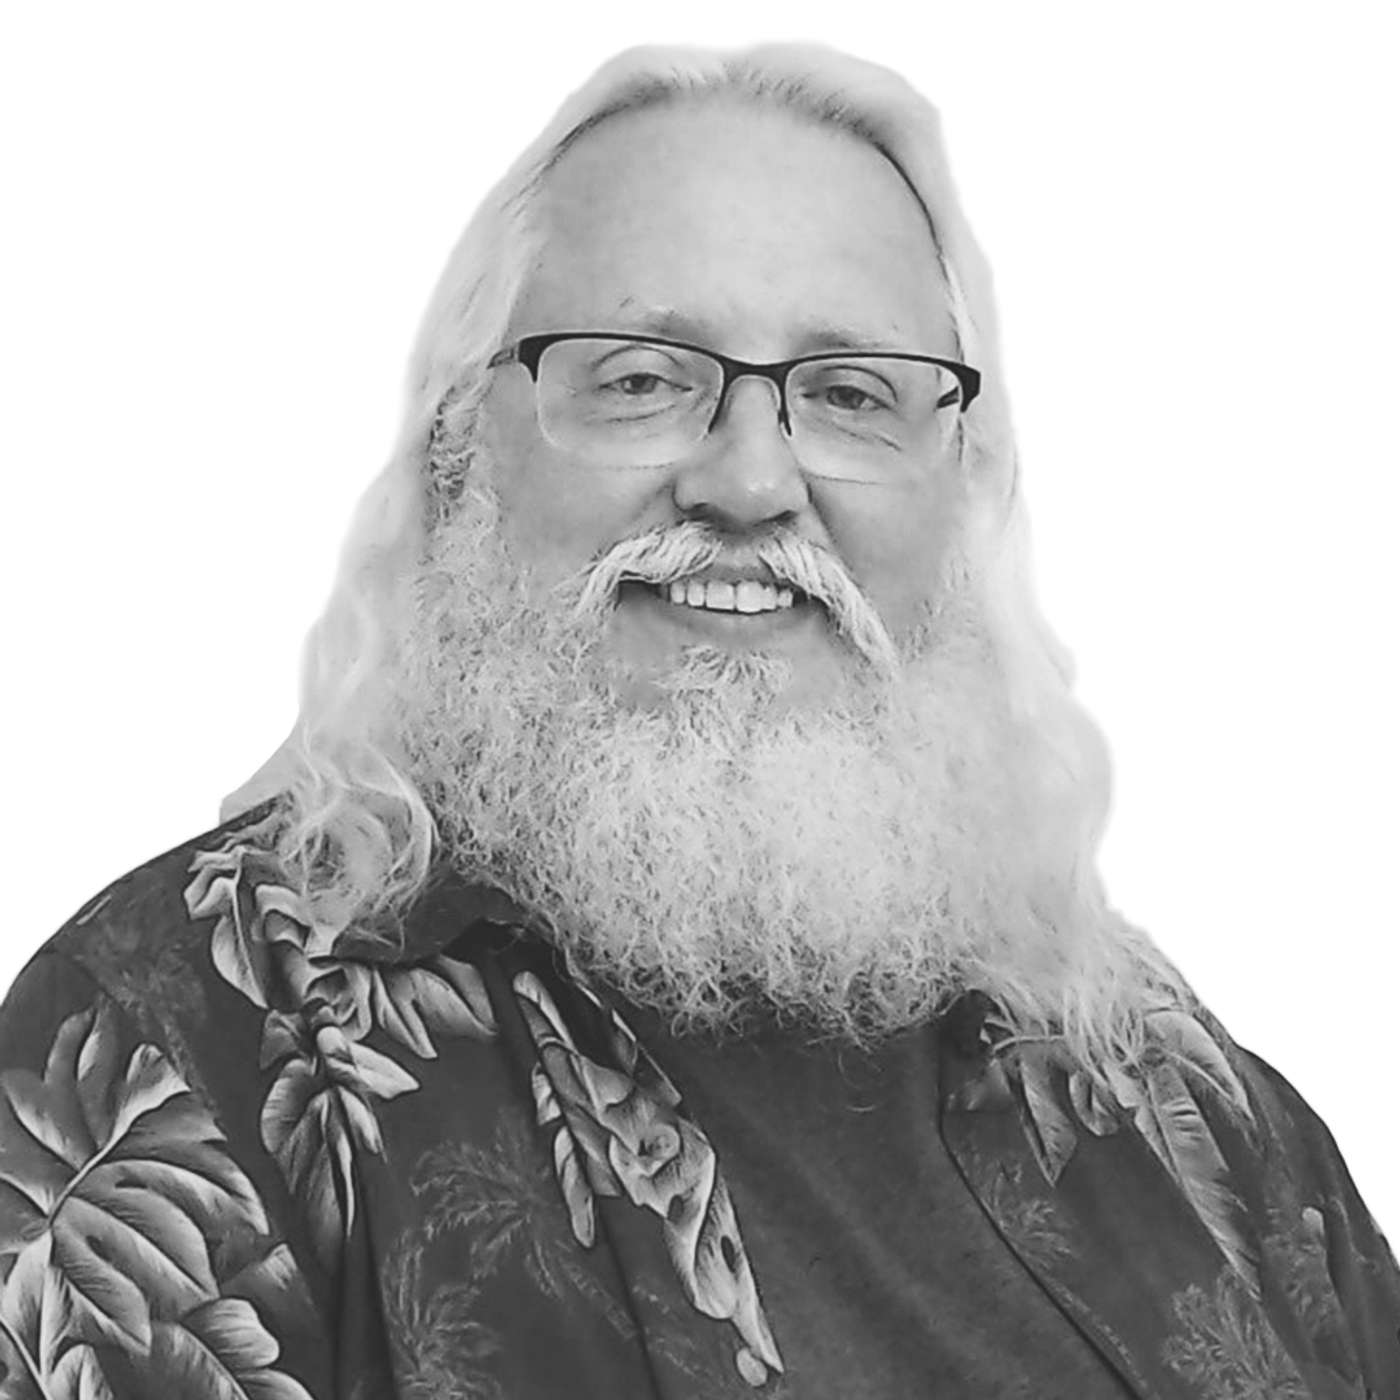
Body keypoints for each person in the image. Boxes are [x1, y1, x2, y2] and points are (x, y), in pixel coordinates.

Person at [1, 41, 1395, 1400]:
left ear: (962, 492)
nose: (749, 482)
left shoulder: (1174, 1093)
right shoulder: (180, 1044)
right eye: (640, 380)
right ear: (456, 453)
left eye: (851, 396)